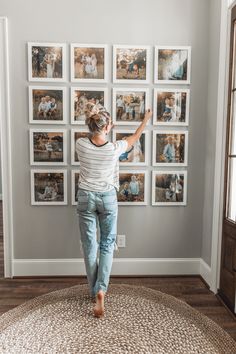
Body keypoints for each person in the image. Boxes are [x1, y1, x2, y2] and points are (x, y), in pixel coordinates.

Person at [75, 103, 152, 318]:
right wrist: (145, 119)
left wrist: (98, 119)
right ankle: (101, 289)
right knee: (107, 244)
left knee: (90, 245)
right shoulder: (114, 148)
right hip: (107, 198)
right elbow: (135, 138)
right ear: (108, 127)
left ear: (91, 124)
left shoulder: (80, 144)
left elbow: (93, 131)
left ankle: (93, 291)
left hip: (85, 197)